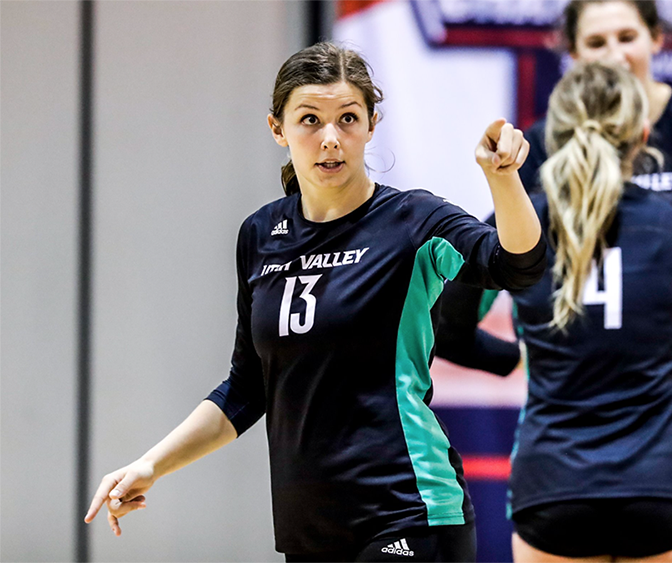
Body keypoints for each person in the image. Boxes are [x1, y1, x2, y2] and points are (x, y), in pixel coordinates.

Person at [83, 42, 547, 563]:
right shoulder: (261, 234)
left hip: (409, 512)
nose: (330, 138)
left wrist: (503, 179)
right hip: (309, 529)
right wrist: (151, 465)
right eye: (310, 120)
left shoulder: (413, 222)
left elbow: (519, 265)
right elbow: (247, 387)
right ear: (277, 128)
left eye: (348, 118)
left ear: (371, 125)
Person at [435, 2, 672, 561]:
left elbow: (454, 313)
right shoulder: (548, 161)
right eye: (598, 42)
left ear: (656, 38)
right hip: (626, 416)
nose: (615, 54)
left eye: (627, 36)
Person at [497, 61, 672, 563]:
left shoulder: (520, 223)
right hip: (663, 484)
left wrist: (509, 358)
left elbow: (447, 326)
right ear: (643, 136)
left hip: (553, 488)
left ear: (553, 137)